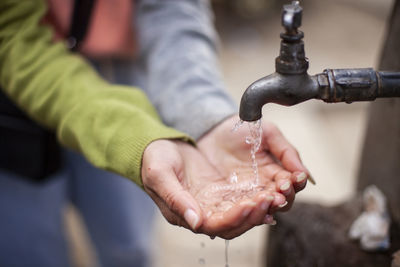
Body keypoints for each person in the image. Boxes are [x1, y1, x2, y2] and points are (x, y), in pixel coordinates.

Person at [0, 0, 310, 266]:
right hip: (13, 92)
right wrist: (138, 137)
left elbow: (172, 10)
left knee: (129, 247)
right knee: (29, 251)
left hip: (118, 63)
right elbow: (12, 35)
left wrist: (205, 117)